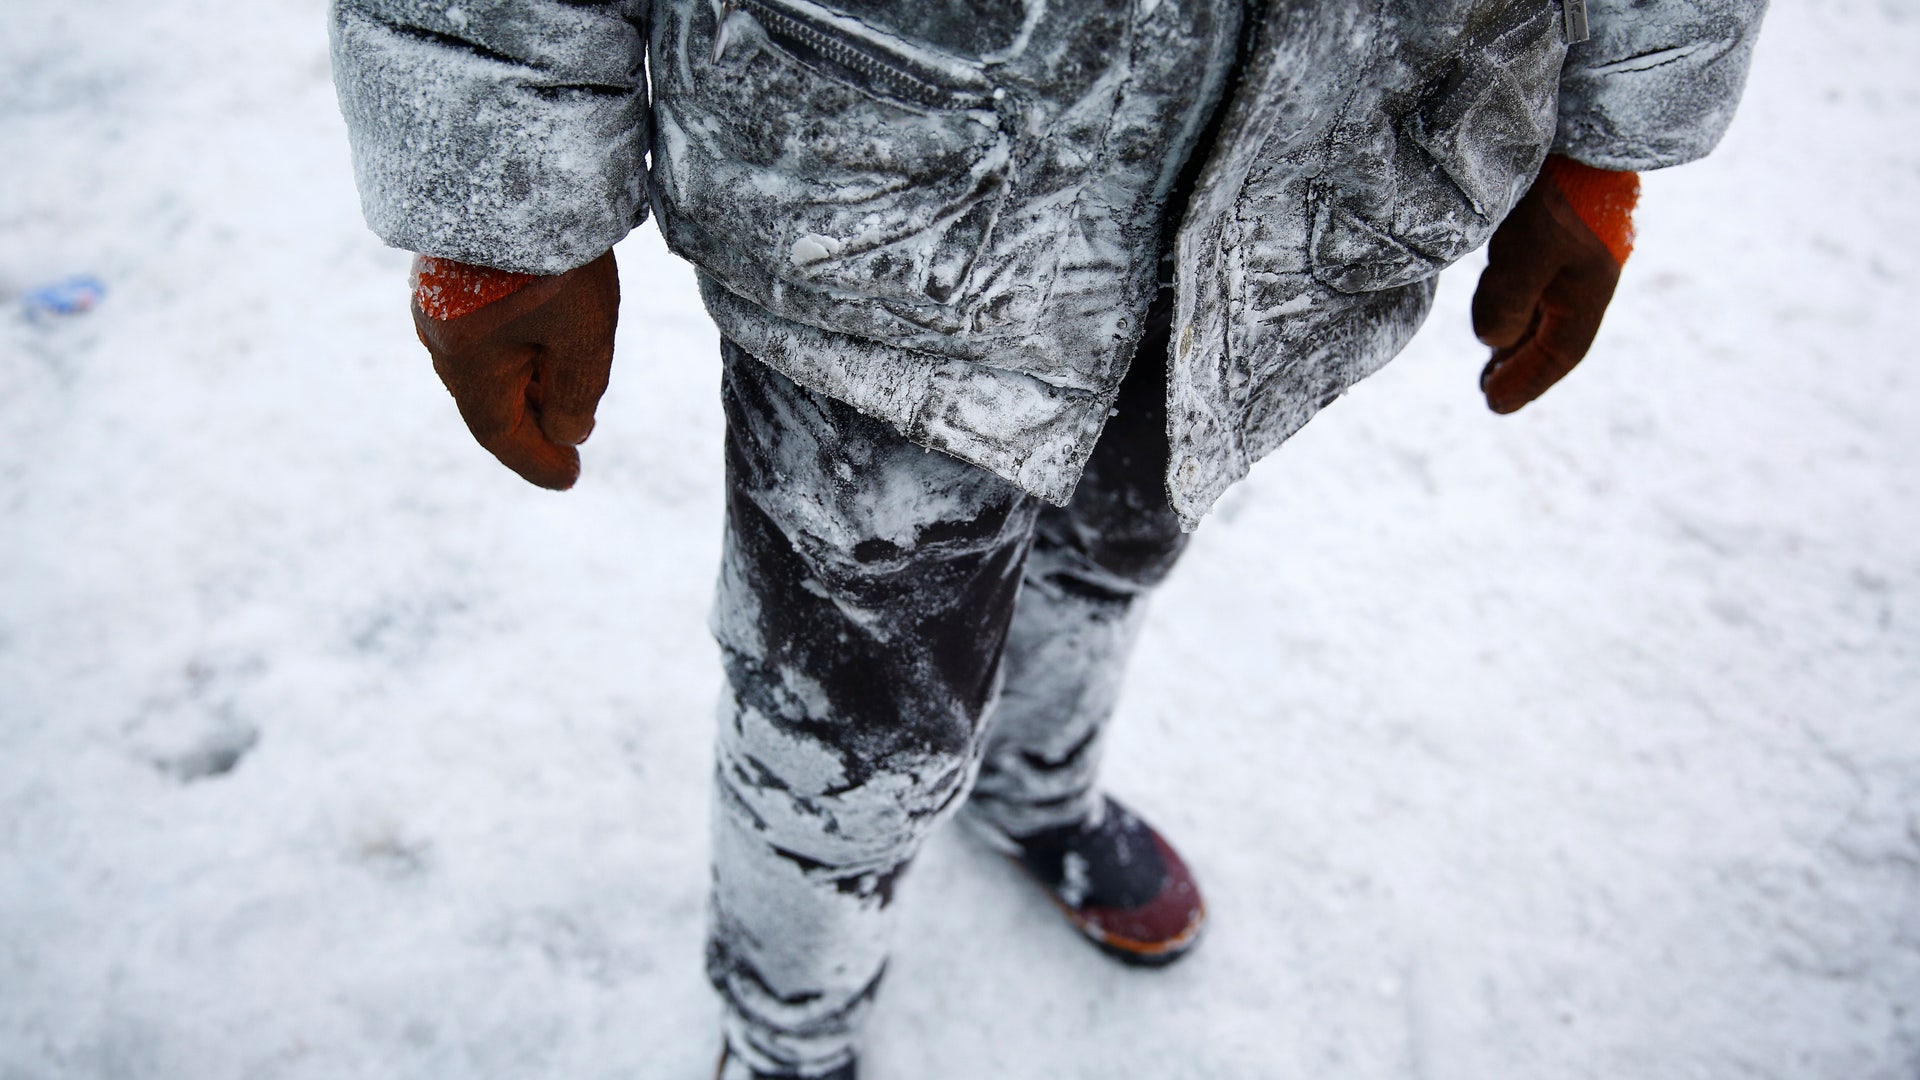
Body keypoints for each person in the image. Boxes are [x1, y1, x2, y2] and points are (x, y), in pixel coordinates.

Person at [329, 1, 1767, 1076]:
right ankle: (788, 1033)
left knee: (1114, 551)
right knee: (849, 707)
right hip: (884, 198)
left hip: (1316, 185)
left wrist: (1607, 151)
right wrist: (498, 199)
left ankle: (1031, 788)